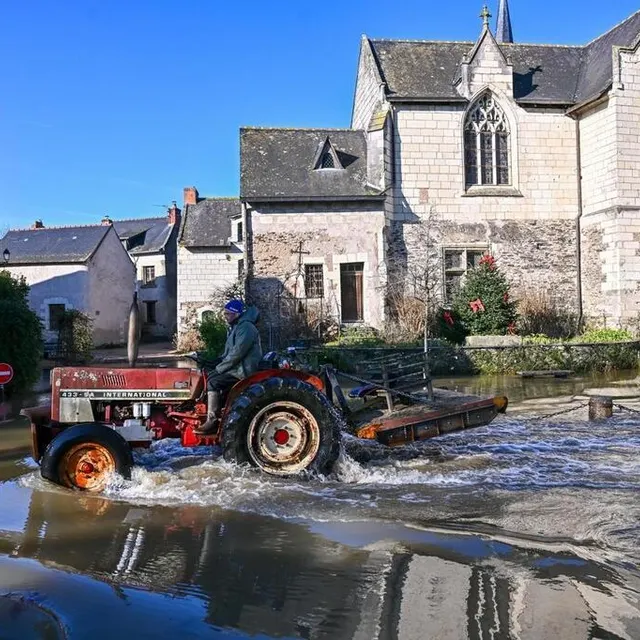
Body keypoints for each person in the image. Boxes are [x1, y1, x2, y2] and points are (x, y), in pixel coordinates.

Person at [195, 299, 262, 435]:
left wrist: (219, 368)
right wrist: (214, 361)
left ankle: (212, 421)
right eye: (225, 313)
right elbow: (228, 353)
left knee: (213, 382)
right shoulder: (236, 327)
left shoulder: (246, 328)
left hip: (243, 371)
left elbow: (238, 353)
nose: (225, 317)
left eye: (228, 314)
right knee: (209, 375)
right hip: (236, 368)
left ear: (236, 314)